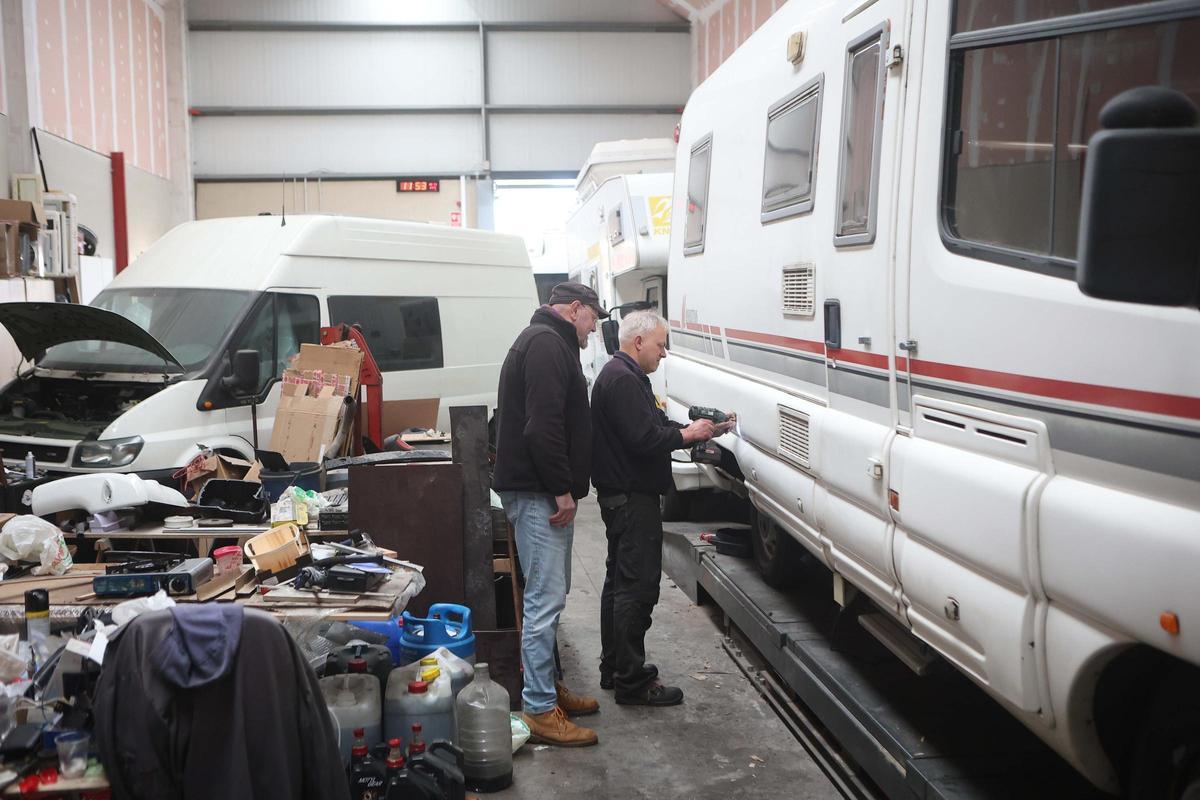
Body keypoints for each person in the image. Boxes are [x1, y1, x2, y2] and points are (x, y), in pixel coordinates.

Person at [591, 310, 734, 706]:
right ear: (638, 342)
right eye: (660, 344)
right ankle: (631, 682)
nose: (664, 353)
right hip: (631, 500)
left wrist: (705, 431)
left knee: (619, 584)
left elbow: (653, 426)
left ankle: (615, 668)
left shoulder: (625, 377)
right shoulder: (621, 380)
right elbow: (644, 439)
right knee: (635, 589)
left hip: (623, 497)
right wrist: (689, 434)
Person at [493, 282, 608, 746]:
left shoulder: (548, 342)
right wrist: (561, 489)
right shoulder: (545, 345)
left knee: (551, 597)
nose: (594, 327)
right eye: (592, 318)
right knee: (543, 599)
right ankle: (539, 707)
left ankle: (547, 688)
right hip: (540, 493)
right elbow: (542, 426)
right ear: (574, 309)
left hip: (541, 492)